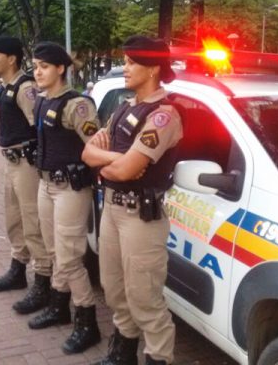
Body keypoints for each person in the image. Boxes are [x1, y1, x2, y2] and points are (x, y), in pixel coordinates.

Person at [83, 36, 182, 365]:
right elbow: (87, 153)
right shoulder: (125, 107)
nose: (124, 68)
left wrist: (112, 162)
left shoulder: (163, 115)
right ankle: (123, 355)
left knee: (145, 299)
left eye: (131, 62)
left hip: (141, 217)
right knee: (114, 289)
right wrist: (116, 160)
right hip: (110, 209)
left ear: (152, 68)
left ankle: (158, 357)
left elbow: (127, 169)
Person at [26, 42, 101, 353]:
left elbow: (97, 145)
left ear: (60, 68)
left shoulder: (76, 105)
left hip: (70, 188)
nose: (38, 72)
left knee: (70, 257)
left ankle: (88, 322)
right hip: (46, 185)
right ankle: (59, 307)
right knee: (54, 250)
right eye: (35, 67)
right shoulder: (42, 102)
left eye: (44, 66)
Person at [0, 36, 52, 316]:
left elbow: (41, 128)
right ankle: (17, 268)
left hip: (26, 163)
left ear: (11, 58)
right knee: (13, 219)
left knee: (31, 221)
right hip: (11, 162)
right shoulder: (6, 87)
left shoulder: (26, 88)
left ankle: (43, 282)